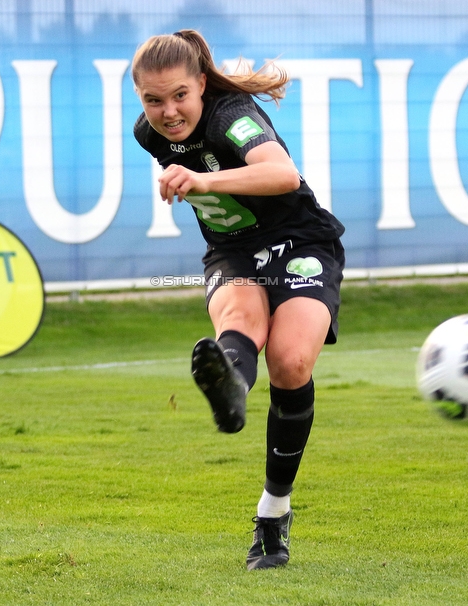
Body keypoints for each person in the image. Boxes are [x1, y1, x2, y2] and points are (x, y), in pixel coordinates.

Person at [131, 30, 345, 571]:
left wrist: (205, 183)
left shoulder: (232, 113)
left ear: (201, 83)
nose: (168, 111)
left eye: (179, 95)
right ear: (140, 100)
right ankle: (229, 384)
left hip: (300, 241)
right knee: (239, 320)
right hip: (232, 253)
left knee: (291, 361)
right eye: (153, 100)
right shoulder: (148, 134)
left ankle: (273, 514)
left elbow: (282, 174)